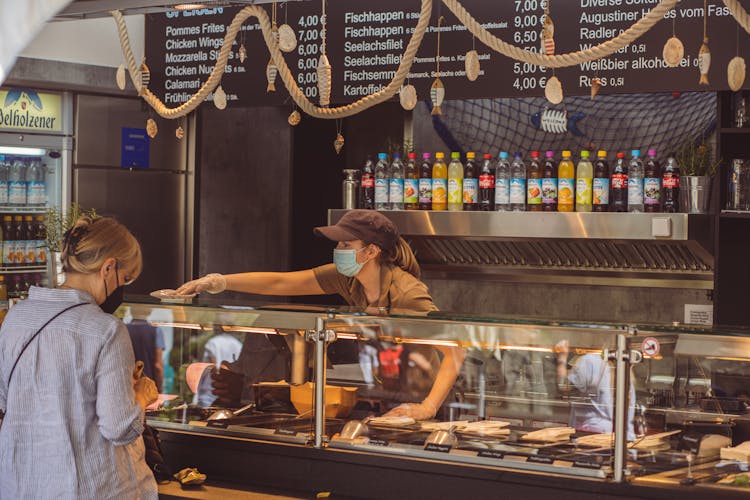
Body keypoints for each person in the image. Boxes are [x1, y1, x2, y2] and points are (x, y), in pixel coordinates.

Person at [177, 209, 465, 420]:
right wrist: (220, 282)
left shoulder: (407, 293)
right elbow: (282, 282)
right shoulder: (348, 278)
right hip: (388, 399)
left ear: (371, 251)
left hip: (426, 405)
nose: (337, 250)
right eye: (338, 244)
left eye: (345, 245)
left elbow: (455, 351)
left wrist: (427, 408)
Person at [0, 216, 159, 499]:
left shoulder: (15, 318)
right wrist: (142, 396)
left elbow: (5, 400)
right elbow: (119, 427)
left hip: (21, 485)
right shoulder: (106, 329)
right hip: (89, 488)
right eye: (124, 278)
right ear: (108, 267)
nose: (122, 287)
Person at [555, 340, 635, 439]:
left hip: (589, 435)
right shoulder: (628, 373)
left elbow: (563, 386)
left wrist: (562, 357)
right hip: (618, 438)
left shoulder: (590, 361)